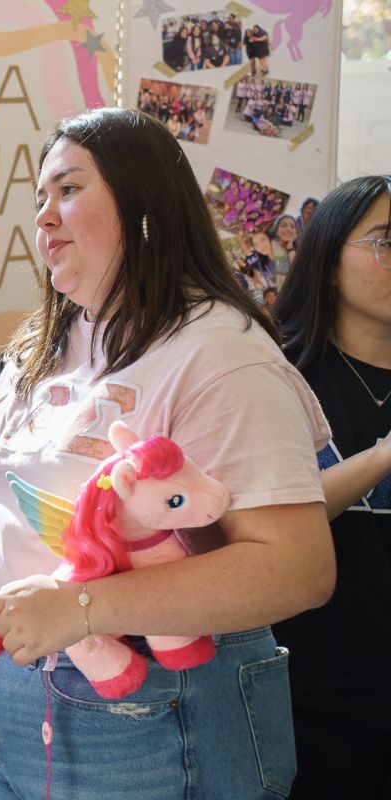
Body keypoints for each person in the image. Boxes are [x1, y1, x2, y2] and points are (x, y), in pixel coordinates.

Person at [0, 107, 334, 799]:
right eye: (38, 200)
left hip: (146, 707)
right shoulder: (41, 344)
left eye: (68, 190)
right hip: (3, 689)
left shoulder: (219, 351)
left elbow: (297, 569)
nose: (44, 219)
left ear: (145, 201)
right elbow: (5, 529)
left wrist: (85, 606)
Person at [270, 175, 391, 798]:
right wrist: (382, 458)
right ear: (328, 261)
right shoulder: (276, 377)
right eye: (385, 239)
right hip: (308, 707)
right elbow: (260, 521)